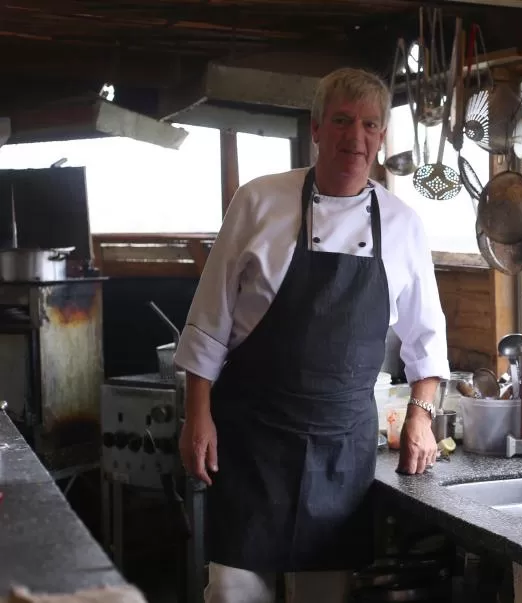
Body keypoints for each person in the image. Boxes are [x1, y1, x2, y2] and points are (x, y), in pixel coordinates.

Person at [173, 67, 450, 603]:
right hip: (252, 438)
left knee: (324, 593)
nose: (356, 137)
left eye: (370, 124)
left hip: (339, 445)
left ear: (381, 136)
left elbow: (427, 338)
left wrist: (421, 416)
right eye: (343, 121)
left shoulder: (403, 225)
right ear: (317, 128)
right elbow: (212, 315)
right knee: (232, 591)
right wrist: (196, 413)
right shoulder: (258, 202)